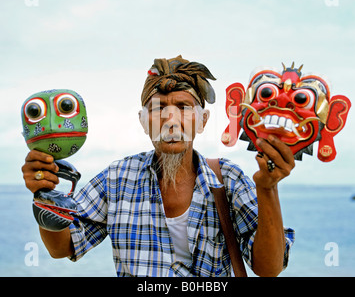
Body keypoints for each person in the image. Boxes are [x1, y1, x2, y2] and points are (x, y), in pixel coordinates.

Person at [21, 55, 295, 277]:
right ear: (143, 122)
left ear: (203, 121)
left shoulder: (228, 179)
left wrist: (267, 188)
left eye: (184, 107)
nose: (170, 119)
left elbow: (268, 268)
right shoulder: (116, 179)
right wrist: (44, 196)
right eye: (157, 107)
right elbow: (64, 246)